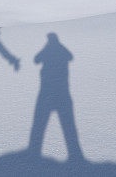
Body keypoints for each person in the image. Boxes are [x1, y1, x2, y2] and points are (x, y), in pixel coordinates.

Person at [28, 32, 84, 161]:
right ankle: (76, 156)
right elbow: (70, 57)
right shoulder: (61, 49)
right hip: (63, 94)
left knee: (39, 126)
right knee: (68, 126)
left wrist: (47, 47)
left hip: (46, 95)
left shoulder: (48, 50)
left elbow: (36, 59)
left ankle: (33, 155)